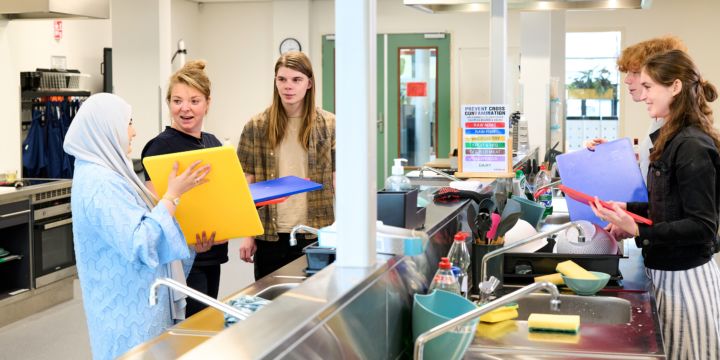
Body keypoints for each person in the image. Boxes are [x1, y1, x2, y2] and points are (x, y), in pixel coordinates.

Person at [590, 50, 720, 360]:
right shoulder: (671, 138)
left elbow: (702, 227)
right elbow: (669, 205)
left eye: (648, 87)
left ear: (675, 87)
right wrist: (629, 209)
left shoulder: (692, 145)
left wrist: (635, 228)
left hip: (686, 282)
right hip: (666, 274)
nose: (643, 95)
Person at [64, 93, 211, 359]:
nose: (133, 131)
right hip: (127, 315)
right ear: (107, 128)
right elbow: (140, 241)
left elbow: (142, 230)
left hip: (139, 305)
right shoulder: (100, 184)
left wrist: (189, 246)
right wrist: (172, 196)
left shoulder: (108, 173)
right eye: (128, 122)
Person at [237, 51, 335, 280]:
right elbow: (246, 184)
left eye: (296, 80)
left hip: (315, 233)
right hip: (270, 234)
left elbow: (338, 178)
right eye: (282, 79)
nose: (288, 86)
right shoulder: (256, 126)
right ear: (275, 82)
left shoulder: (329, 125)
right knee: (269, 305)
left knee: (314, 305)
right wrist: (247, 235)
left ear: (309, 83)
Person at [141, 60, 226, 317]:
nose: (185, 109)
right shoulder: (159, 148)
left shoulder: (213, 143)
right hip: (182, 261)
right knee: (190, 333)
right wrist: (187, 244)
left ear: (208, 103)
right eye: (177, 101)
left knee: (209, 326)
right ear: (168, 104)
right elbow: (155, 213)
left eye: (194, 101)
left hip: (213, 255)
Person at [586, 35, 687, 184]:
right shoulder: (659, 119)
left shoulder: (685, 136)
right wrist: (615, 154)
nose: (627, 80)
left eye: (635, 72)